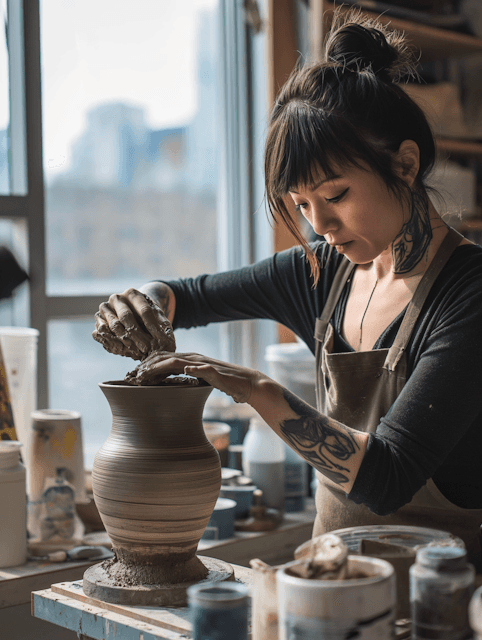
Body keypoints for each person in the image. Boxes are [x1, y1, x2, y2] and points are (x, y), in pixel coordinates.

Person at [93, 9, 482, 568]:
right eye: (301, 205)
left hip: (443, 600)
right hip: (331, 581)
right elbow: (185, 295)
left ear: (404, 163)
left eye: (337, 194)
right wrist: (142, 303)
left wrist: (253, 387)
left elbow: (387, 477)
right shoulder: (320, 273)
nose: (318, 226)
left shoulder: (468, 293)